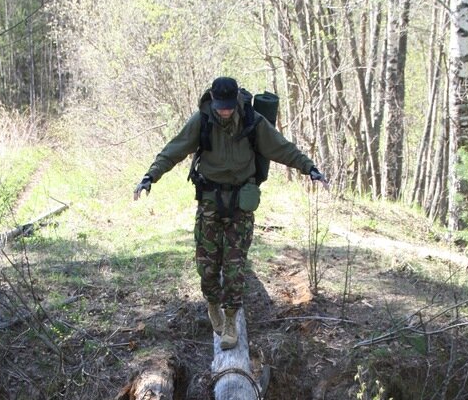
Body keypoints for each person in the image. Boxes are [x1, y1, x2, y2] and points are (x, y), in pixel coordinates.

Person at [134, 76, 328, 349]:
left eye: (228, 106)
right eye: (220, 106)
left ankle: (231, 321)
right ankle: (212, 303)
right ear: (213, 101)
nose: (224, 111)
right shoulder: (202, 121)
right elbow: (173, 150)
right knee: (207, 266)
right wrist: (149, 177)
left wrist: (310, 168)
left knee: (235, 268)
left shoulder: (252, 122)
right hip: (210, 202)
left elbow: (282, 149)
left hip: (240, 203)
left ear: (235, 101)